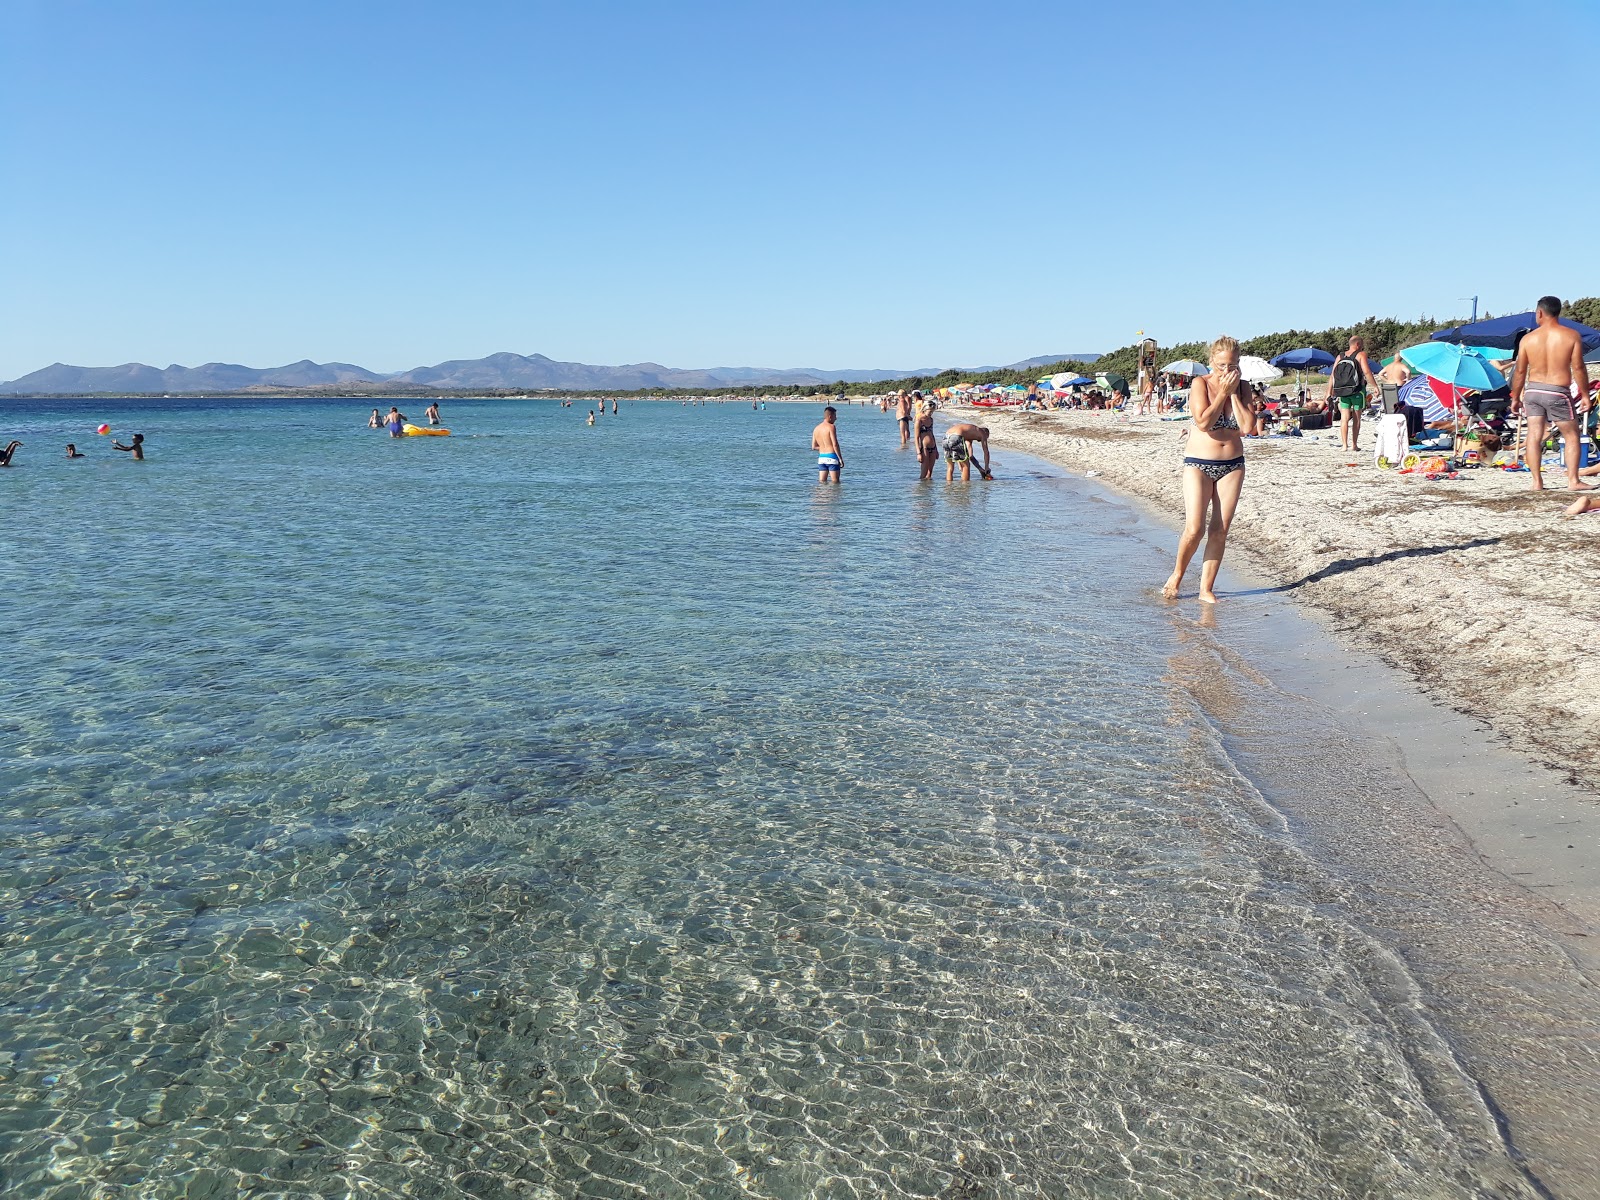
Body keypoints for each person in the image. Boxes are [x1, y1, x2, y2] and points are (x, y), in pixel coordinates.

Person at [1163, 335, 1250, 604]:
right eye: (1222, 365)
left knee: (1220, 529)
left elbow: (1247, 427)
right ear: (1212, 361)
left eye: (1232, 365)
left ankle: (1206, 588)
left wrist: (1234, 393)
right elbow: (1202, 422)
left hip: (1232, 465)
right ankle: (1177, 575)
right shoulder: (1200, 384)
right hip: (1199, 464)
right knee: (1194, 528)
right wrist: (1222, 392)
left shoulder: (1244, 387)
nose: (1227, 371)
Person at [1512, 295, 1592, 493]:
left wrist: (1515, 397)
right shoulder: (1571, 335)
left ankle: (1537, 482)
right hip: (1557, 391)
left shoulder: (1527, 339)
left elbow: (1520, 371)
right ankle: (1573, 481)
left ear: (1539, 313)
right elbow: (1579, 368)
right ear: (1558, 312)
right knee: (1571, 434)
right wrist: (1585, 394)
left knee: (1533, 435)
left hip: (1533, 390)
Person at [1329, 336, 1379, 452]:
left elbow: (1333, 375)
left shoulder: (1340, 356)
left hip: (1342, 391)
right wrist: (1375, 386)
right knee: (1356, 418)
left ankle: (1344, 445)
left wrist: (1330, 391)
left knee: (1344, 418)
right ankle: (1354, 445)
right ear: (1357, 344)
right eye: (1361, 344)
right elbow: (1366, 371)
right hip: (1357, 390)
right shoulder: (1361, 354)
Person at [813, 406, 843, 482]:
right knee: (835, 482)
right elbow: (835, 444)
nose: (836, 418)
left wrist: (823, 447)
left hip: (822, 458)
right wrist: (840, 459)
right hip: (832, 457)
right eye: (835, 416)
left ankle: (823, 494)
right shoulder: (831, 427)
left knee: (822, 482)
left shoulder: (816, 428)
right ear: (830, 416)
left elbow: (814, 446)